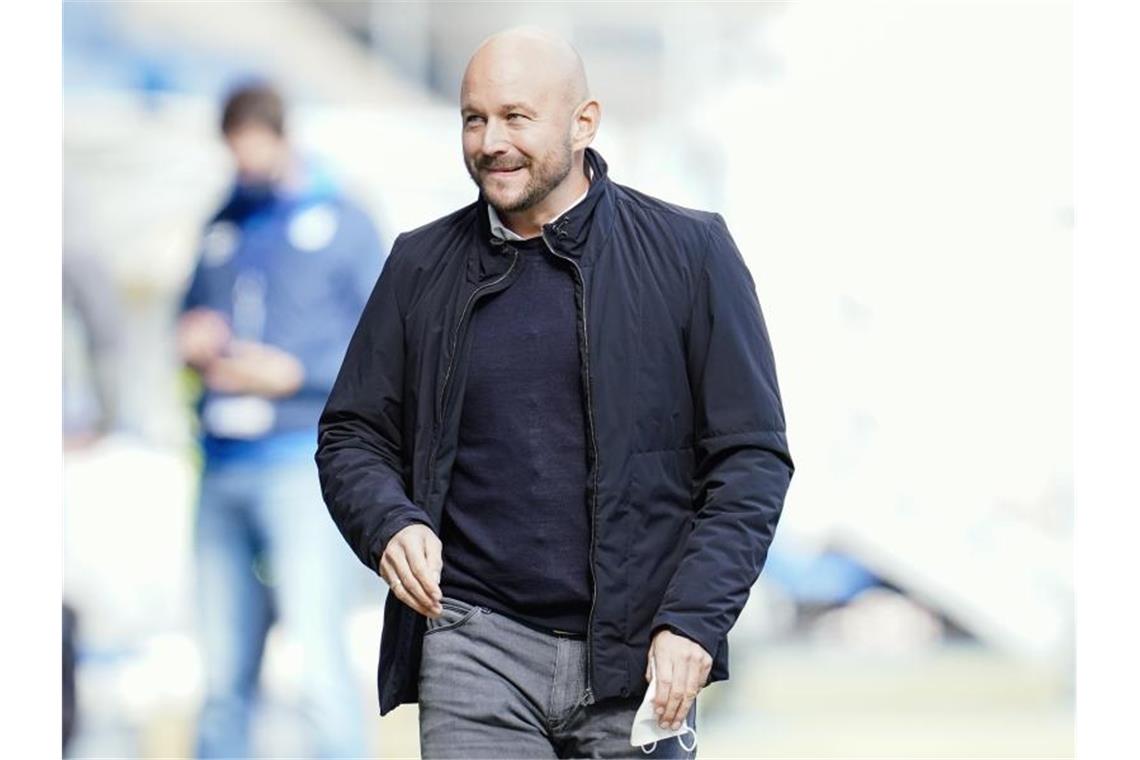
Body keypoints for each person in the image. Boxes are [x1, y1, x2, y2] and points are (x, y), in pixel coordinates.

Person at [316, 27, 794, 759]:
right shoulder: (418, 266)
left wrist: (694, 621)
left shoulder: (691, 254)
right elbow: (351, 434)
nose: (490, 141)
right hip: (473, 646)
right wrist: (390, 522)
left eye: (515, 117)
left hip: (638, 663)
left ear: (584, 122)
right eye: (474, 119)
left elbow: (751, 460)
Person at [179, 82, 379, 759]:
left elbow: (383, 342)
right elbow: (189, 315)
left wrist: (296, 371)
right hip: (222, 466)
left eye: (253, 151)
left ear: (281, 135)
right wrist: (193, 334)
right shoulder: (224, 221)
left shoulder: (344, 219)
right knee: (222, 673)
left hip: (301, 464)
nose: (244, 167)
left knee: (317, 663)